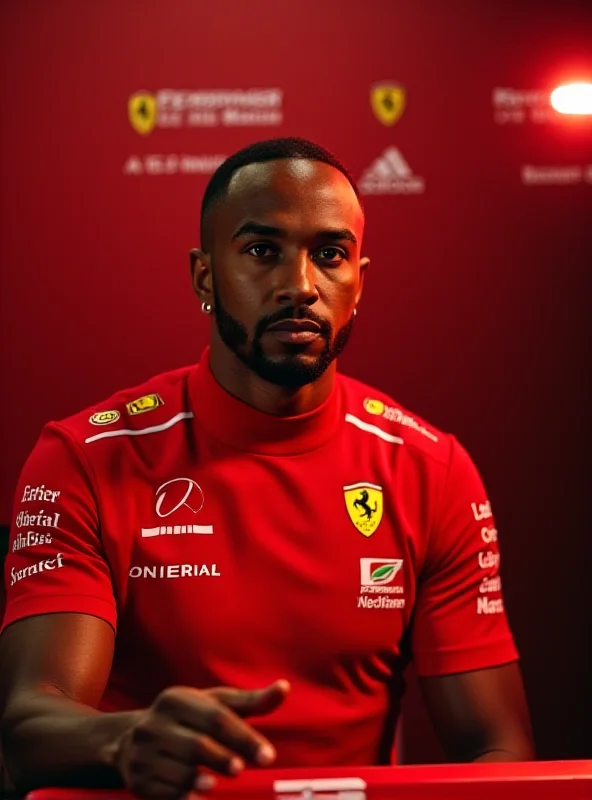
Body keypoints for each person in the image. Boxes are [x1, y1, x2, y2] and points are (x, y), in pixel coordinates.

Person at [0, 137, 534, 798]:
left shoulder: (433, 470)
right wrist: (125, 738)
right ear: (204, 277)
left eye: (329, 255)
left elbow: (497, 748)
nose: (300, 286)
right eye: (262, 251)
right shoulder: (85, 458)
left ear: (358, 283)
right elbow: (28, 727)